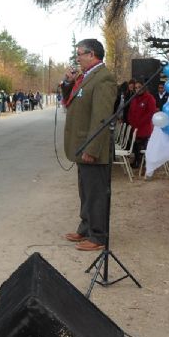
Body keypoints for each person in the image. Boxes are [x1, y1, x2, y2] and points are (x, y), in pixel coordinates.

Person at [60, 38, 116, 252]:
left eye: (80, 54)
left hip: (92, 147)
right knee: (85, 190)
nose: (77, 58)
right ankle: (86, 227)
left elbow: (101, 117)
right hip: (81, 145)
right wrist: (67, 82)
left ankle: (98, 235)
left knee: (96, 192)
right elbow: (70, 101)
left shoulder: (104, 79)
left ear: (92, 54)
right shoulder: (85, 77)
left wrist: (92, 149)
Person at [126, 79, 157, 169]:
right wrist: (131, 121)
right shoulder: (134, 98)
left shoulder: (149, 98)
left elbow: (151, 112)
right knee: (135, 146)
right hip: (135, 128)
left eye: (139, 87)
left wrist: (140, 122)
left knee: (143, 147)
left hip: (144, 128)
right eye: (136, 88)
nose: (137, 89)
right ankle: (136, 161)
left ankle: (144, 164)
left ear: (144, 87)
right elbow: (130, 112)